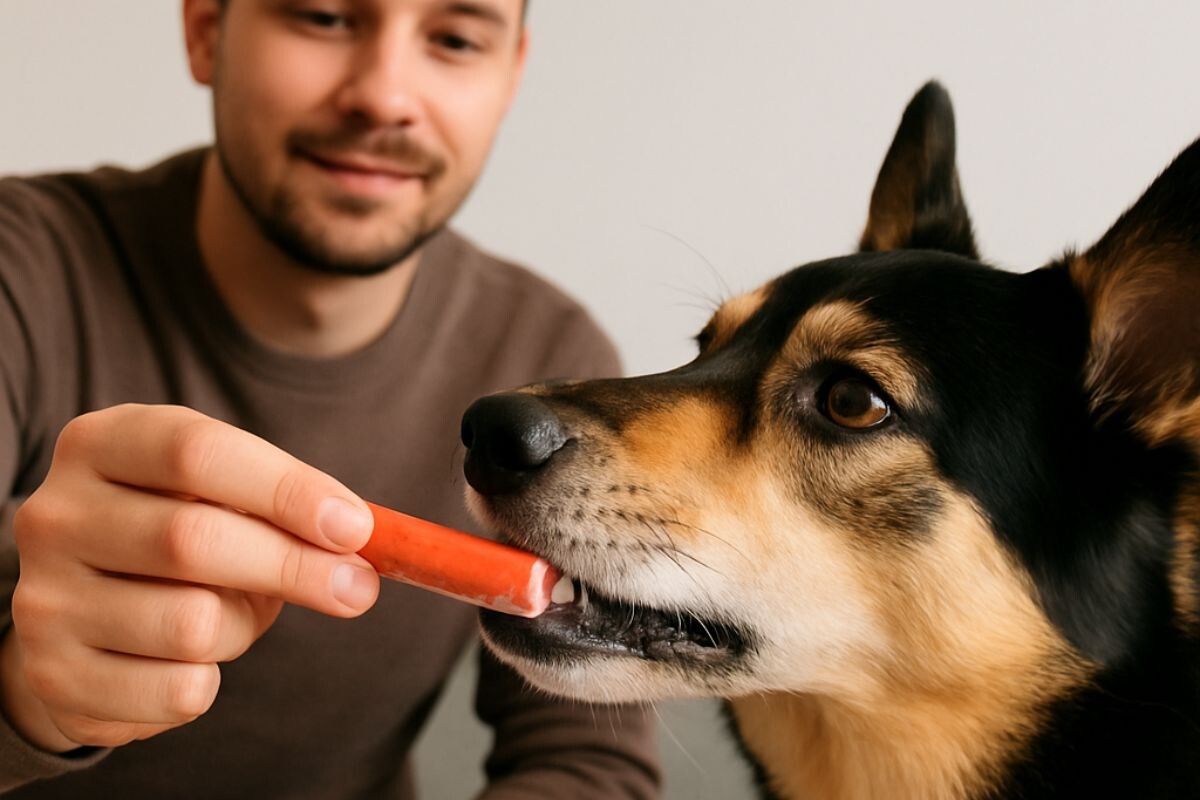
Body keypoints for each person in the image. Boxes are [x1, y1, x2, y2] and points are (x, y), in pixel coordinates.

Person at [0, 0, 660, 796]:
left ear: (510, 75)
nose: (383, 96)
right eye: (322, 16)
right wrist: (27, 702)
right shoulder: (20, 275)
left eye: (454, 39)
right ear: (207, 30)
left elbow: (588, 766)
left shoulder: (551, 361)